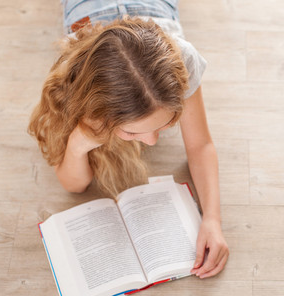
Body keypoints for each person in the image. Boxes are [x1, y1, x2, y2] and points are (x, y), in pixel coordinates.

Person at [28, 0, 228, 279]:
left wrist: (213, 219)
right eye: (133, 133)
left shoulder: (182, 59)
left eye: (167, 122)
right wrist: (79, 141)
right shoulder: (73, 84)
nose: (151, 142)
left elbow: (201, 145)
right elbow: (73, 184)